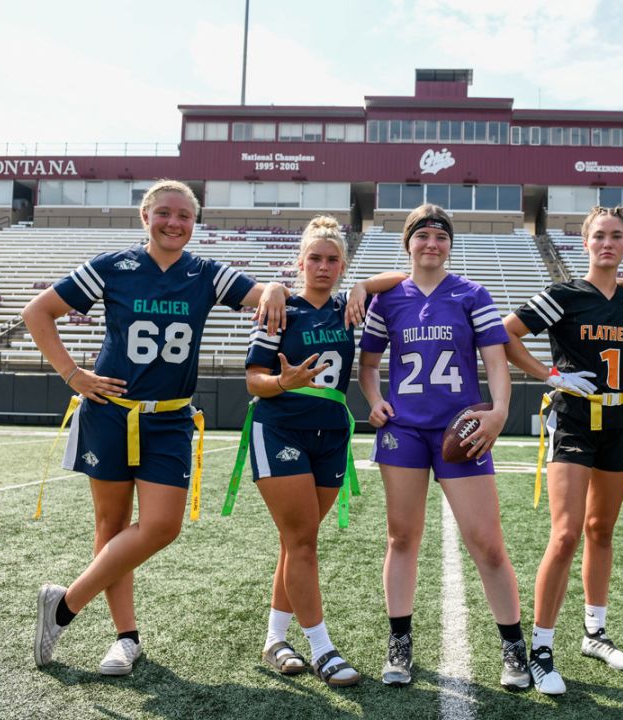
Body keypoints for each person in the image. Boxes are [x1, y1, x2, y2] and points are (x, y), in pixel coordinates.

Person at [24, 179, 288, 675]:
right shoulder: (113, 266)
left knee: (162, 526)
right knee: (111, 525)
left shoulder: (205, 273)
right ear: (145, 216)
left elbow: (264, 298)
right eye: (164, 213)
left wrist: (274, 286)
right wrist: (73, 374)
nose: (174, 223)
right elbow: (38, 313)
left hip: (169, 417)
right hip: (110, 412)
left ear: (195, 222)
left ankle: (64, 605)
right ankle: (125, 639)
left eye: (185, 216)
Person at [358, 204, 529, 691]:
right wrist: (375, 401)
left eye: (440, 236)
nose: (431, 244)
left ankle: (513, 647)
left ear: (450, 245)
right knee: (402, 538)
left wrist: (498, 410)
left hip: (461, 427)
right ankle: (399, 643)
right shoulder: (387, 300)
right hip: (405, 430)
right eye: (422, 236)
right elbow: (368, 366)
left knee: (488, 544)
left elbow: (496, 360)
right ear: (407, 243)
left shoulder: (472, 293)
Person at [240, 216, 407, 687]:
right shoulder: (282, 307)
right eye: (315, 258)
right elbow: (253, 379)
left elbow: (407, 276)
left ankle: (275, 639)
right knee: (303, 542)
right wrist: (282, 380)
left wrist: (362, 286)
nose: (323, 266)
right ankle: (322, 648)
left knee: (296, 543)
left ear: (342, 266)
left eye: (333, 260)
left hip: (332, 433)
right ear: (301, 263)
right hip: (281, 429)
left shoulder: (346, 307)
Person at [502, 205, 623, 695]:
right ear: (585, 243)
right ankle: (541, 648)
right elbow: (506, 333)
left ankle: (594, 634)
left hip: (617, 425)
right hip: (573, 420)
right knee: (566, 534)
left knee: (601, 530)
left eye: (616, 236)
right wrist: (549, 374)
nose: (607, 243)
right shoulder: (563, 294)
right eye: (599, 236)